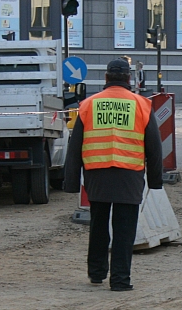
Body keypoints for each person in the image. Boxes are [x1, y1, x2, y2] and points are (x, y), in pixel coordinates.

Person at [64, 58, 163, 292]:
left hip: (97, 175)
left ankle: (96, 273)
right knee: (125, 230)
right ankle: (120, 280)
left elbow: (75, 145)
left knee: (98, 226)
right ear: (129, 79)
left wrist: (70, 182)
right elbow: (155, 147)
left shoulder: (88, 105)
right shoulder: (142, 104)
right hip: (129, 176)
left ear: (106, 78)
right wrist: (156, 181)